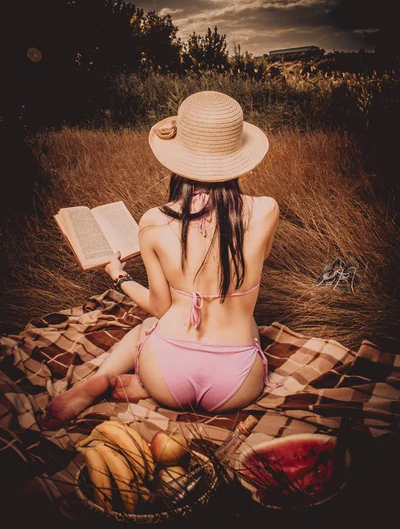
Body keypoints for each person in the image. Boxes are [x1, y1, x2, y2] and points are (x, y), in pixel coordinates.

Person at [43, 91, 280, 429]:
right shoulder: (267, 210)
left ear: (178, 159)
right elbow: (257, 259)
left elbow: (159, 306)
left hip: (167, 375)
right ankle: (148, 384)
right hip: (237, 385)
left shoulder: (153, 221)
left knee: (146, 327)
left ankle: (105, 377)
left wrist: (119, 275)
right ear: (237, 156)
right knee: (250, 325)